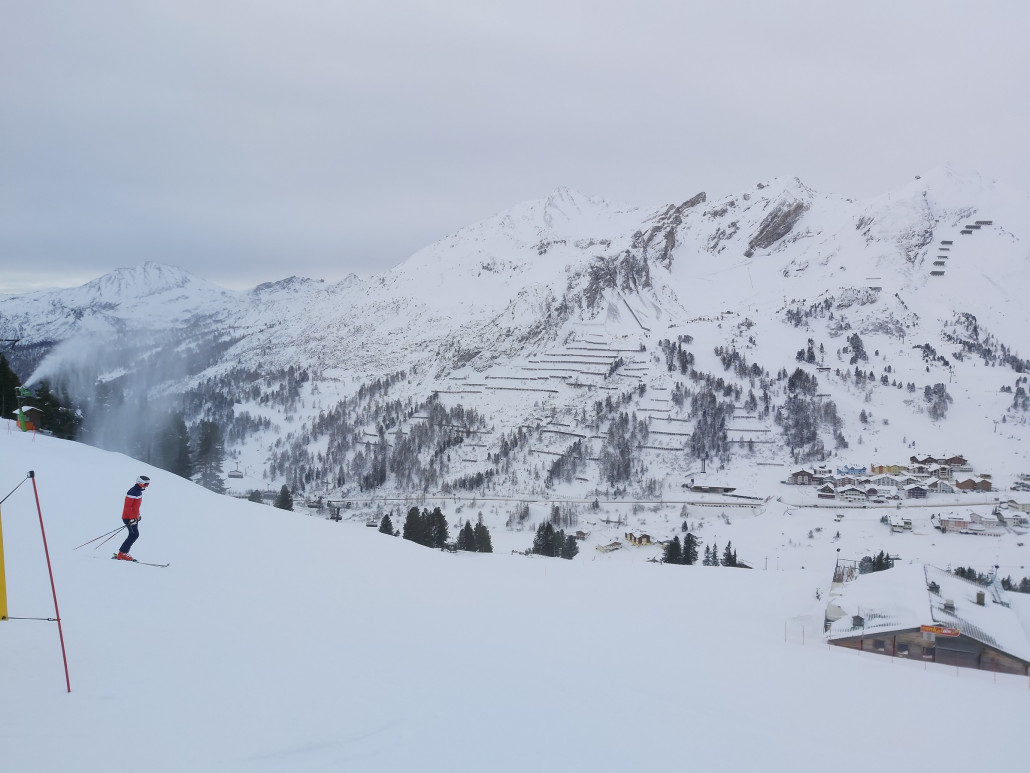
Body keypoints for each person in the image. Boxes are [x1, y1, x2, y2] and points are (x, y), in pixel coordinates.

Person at [116, 475, 151, 560]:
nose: (147, 486)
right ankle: (122, 553)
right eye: (146, 484)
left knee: (133, 535)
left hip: (133, 518)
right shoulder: (132, 492)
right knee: (134, 535)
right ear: (140, 483)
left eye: (148, 484)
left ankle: (124, 552)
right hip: (128, 517)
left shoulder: (138, 492)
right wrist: (131, 518)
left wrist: (137, 515)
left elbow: (135, 507)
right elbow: (128, 507)